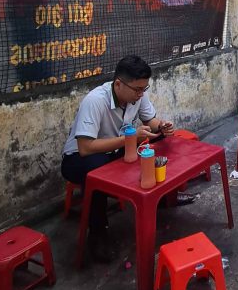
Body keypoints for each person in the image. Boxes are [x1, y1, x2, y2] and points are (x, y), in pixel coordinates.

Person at [61, 55, 187, 262]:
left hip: (115, 148)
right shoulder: (95, 101)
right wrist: (130, 138)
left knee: (156, 145)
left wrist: (162, 126)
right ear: (118, 84)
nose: (141, 94)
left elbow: (150, 120)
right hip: (79, 158)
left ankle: (165, 198)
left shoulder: (137, 95)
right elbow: (85, 147)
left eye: (144, 89)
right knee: (98, 171)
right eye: (137, 90)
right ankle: (98, 233)